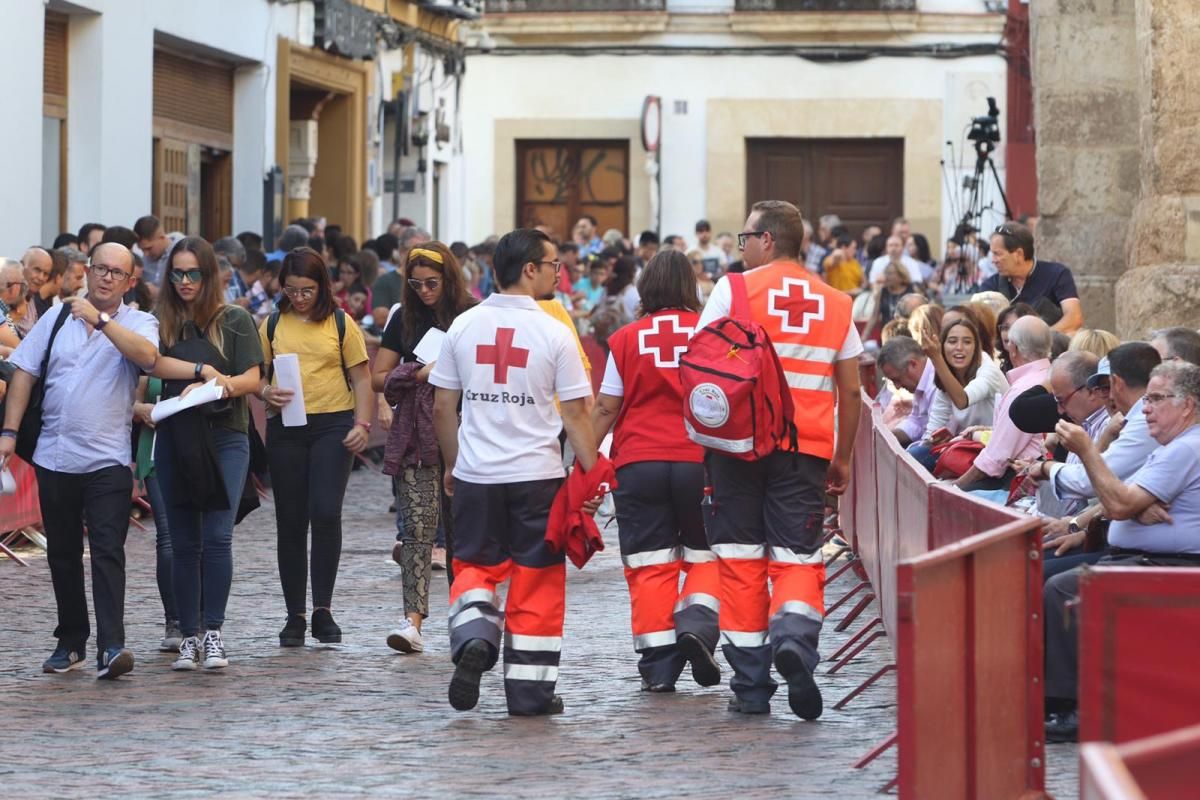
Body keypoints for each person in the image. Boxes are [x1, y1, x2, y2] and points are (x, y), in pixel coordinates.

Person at [695, 200, 863, 718]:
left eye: (745, 237)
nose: (741, 246)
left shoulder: (734, 289)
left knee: (741, 560)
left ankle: (750, 685)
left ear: (767, 239)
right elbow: (852, 391)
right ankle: (793, 637)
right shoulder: (837, 302)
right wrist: (843, 458)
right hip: (805, 449)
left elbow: (700, 363)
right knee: (796, 556)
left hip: (737, 449)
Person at [430, 228, 599, 717]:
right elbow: (576, 414)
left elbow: (444, 406)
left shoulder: (463, 326)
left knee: (476, 569)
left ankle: (476, 636)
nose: (557, 274)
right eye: (553, 265)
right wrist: (593, 474)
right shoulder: (554, 333)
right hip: (537, 478)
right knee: (537, 584)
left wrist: (452, 464)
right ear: (530, 269)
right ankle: (529, 695)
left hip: (477, 475)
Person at [0, 242, 159, 679]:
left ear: (130, 282)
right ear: (87, 272)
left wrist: (102, 321)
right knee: (64, 554)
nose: (106, 277)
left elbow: (147, 359)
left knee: (108, 550)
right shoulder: (55, 318)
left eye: (116, 273)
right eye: (100, 269)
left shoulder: (140, 321)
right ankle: (71, 640)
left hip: (107, 458)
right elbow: (25, 374)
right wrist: (10, 433)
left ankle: (112, 644)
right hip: (54, 454)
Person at [1043, 361, 1200, 743]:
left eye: (1157, 399)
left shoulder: (1187, 446)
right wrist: (1130, 507)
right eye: (1146, 398)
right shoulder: (1172, 446)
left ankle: (1069, 707)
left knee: (1062, 589)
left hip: (1172, 569)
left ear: (1188, 406)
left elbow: (1117, 501)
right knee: (1047, 574)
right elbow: (1122, 499)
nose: (1145, 408)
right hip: (1139, 558)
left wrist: (1085, 448)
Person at [590, 249, 720, 693]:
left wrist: (583, 463)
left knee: (650, 564)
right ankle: (697, 625)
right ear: (691, 287)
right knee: (709, 553)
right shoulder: (712, 334)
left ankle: (659, 666)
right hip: (700, 463)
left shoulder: (626, 338)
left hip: (639, 462)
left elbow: (607, 405)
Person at [149, 237, 264, 671]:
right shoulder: (161, 321)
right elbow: (145, 369)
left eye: (192, 272)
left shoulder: (233, 319)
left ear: (209, 275)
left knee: (217, 535)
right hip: (177, 437)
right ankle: (187, 634)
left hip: (225, 435)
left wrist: (215, 386)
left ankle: (212, 632)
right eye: (176, 273)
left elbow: (253, 378)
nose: (183, 281)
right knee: (183, 542)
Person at [258, 247, 374, 647]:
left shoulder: (341, 324)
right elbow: (256, 377)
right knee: (290, 519)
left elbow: (361, 378)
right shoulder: (273, 324)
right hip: (287, 425)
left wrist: (363, 423)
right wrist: (264, 391)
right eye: (291, 290)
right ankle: (295, 614)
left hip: (332, 422)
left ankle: (323, 608)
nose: (299, 297)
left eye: (306, 290)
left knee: (325, 511)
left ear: (321, 286)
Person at [372, 242, 476, 655]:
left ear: (449, 278)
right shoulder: (404, 317)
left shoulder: (472, 314)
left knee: (463, 534)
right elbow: (379, 376)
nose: (424, 291)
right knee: (416, 532)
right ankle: (412, 622)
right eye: (415, 284)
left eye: (432, 283)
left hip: (468, 431)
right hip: (415, 435)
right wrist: (418, 372)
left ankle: (465, 617)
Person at [1025, 344, 1162, 577]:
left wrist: (1048, 467)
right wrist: (1080, 526)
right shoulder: (1132, 421)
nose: (1107, 396)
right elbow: (1120, 498)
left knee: (1046, 579)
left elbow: (1106, 494)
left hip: (1154, 556)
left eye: (1158, 396)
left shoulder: (1155, 425)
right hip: (1124, 544)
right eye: (1100, 388)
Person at [953, 315, 1053, 492]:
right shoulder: (1051, 376)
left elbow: (996, 458)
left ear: (1013, 348)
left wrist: (954, 488)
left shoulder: (1023, 389)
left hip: (1023, 481)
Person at [907, 317, 1009, 472]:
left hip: (998, 452)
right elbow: (932, 432)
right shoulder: (945, 380)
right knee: (914, 456)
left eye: (967, 342)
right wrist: (932, 441)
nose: (959, 348)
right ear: (943, 345)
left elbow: (963, 400)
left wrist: (936, 358)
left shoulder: (989, 372)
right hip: (968, 450)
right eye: (952, 341)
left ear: (976, 348)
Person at [981, 222, 1083, 334]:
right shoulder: (991, 286)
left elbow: (1074, 318)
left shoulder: (1057, 274)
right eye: (992, 254)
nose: (993, 260)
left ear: (1018, 254)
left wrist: (1038, 340)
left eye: (998, 254)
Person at [875, 336, 935, 447]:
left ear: (913, 364)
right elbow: (916, 422)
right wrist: (886, 437)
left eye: (897, 379)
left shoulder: (936, 384)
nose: (897, 387)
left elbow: (934, 437)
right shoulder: (920, 382)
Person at [133, 215, 184, 291]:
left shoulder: (183, 252)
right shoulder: (142, 259)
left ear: (162, 237)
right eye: (142, 250)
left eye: (149, 248)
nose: (146, 254)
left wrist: (158, 294)